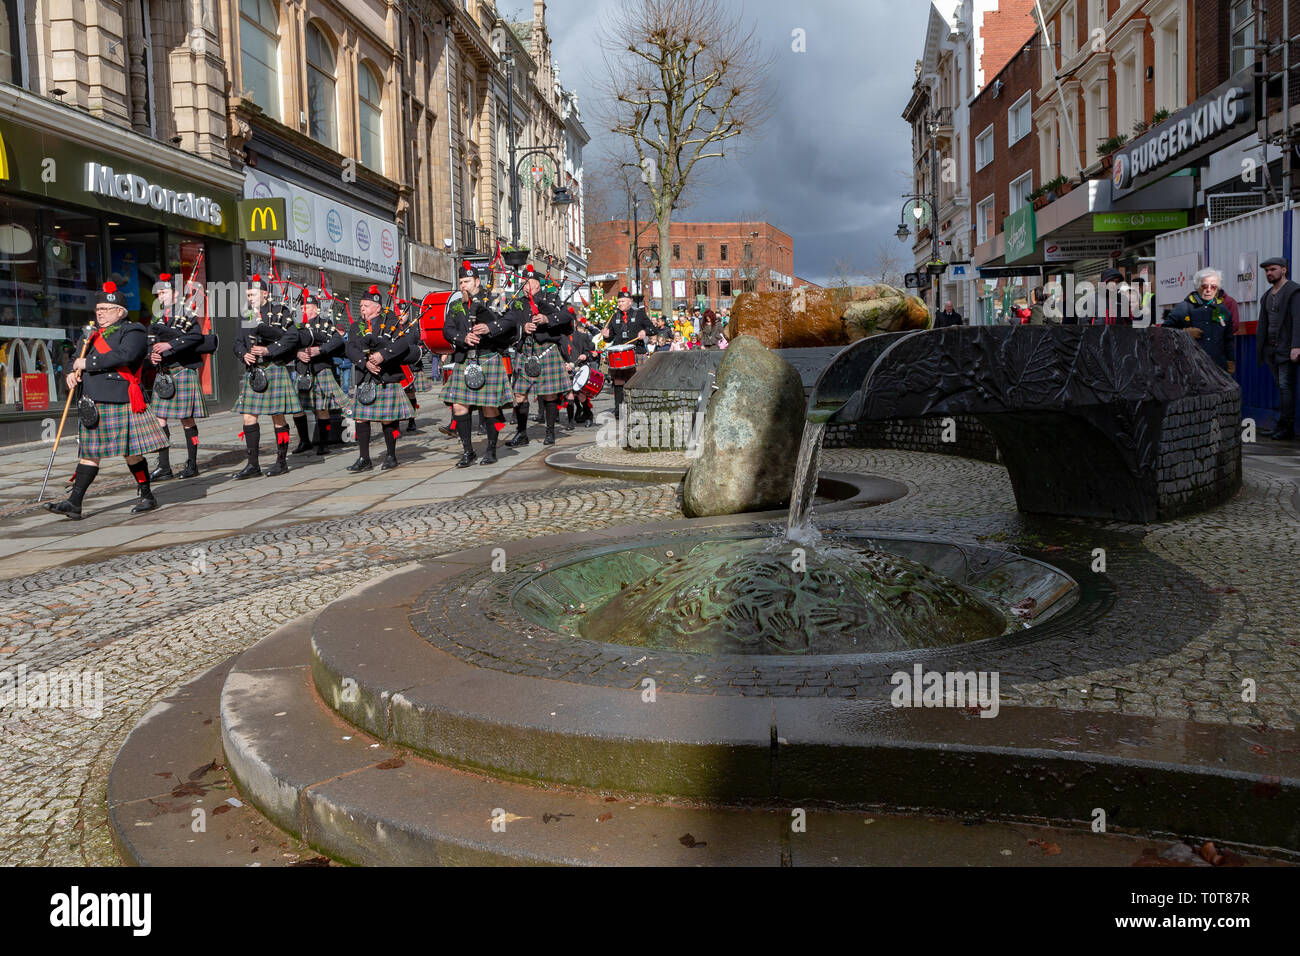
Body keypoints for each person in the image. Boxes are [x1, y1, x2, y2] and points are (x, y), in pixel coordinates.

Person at [45, 281, 168, 519]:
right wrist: (71, 372)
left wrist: (87, 364)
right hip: (92, 402)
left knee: (132, 453)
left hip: (120, 399)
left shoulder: (133, 331)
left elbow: (126, 355)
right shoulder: (89, 335)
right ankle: (75, 502)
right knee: (90, 454)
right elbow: (74, 359)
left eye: (105, 309)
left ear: (119, 311)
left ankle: (146, 495)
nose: (99, 312)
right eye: (98, 309)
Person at [441, 261, 517, 466]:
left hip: (488, 356)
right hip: (465, 358)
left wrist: (490, 327)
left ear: (477, 281)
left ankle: (491, 449)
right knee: (458, 406)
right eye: (460, 282)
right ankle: (468, 451)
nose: (463, 286)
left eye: (466, 281)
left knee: (489, 407)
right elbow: (447, 330)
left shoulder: (493, 299)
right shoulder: (457, 305)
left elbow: (511, 320)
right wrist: (461, 338)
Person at [231, 275, 302, 479]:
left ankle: (281, 462)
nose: (250, 298)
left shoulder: (280, 312)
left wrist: (268, 350)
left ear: (265, 293)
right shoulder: (246, 315)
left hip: (273, 367)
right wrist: (243, 353)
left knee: (277, 416)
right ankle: (253, 464)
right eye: (247, 295)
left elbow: (292, 338)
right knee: (248, 416)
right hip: (254, 371)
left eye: (252, 294)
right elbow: (237, 342)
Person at [346, 284, 419, 471]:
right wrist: (365, 362)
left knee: (388, 420)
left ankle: (391, 455)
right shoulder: (356, 326)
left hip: (387, 376)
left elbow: (403, 344)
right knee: (361, 419)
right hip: (365, 377)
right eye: (361, 305)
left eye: (366, 305)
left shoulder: (392, 322)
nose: (362, 308)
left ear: (378, 307)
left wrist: (382, 355)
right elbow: (350, 348)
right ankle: (364, 458)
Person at [146, 273, 207, 480]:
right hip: (164, 372)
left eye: (164, 292)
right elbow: (149, 340)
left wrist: (170, 344)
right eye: (159, 293)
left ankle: (192, 463)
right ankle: (164, 467)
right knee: (159, 420)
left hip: (182, 370)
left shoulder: (186, 313)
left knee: (186, 419)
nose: (160, 296)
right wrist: (151, 355)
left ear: (175, 293)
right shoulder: (157, 316)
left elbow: (196, 336)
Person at [505, 265, 570, 446]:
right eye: (523, 283)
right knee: (519, 395)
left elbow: (566, 317)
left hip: (546, 350)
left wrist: (547, 319)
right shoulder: (517, 303)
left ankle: (550, 432)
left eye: (529, 283)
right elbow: (508, 325)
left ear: (538, 285)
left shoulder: (550, 299)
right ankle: (522, 433)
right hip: (525, 352)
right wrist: (522, 328)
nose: (526, 286)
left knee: (549, 395)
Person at [294, 290, 350, 455]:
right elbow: (287, 344)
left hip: (321, 369)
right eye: (303, 306)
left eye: (308, 307)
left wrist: (320, 349)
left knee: (321, 408)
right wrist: (298, 353)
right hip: (303, 371)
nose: (305, 310)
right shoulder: (297, 326)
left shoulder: (326, 324)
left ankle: (324, 444)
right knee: (297, 408)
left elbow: (337, 341)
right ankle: (304, 442)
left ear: (316, 309)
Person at [1257, 256, 1300, 439]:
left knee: (1285, 386)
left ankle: (1287, 427)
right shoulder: (1267, 295)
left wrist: (1296, 346)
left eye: (1273, 269)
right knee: (1280, 387)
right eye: (1267, 270)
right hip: (1271, 349)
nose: (1269, 273)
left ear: (1284, 269)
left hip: (1287, 348)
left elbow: (1298, 320)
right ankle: (1281, 425)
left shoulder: (1293, 291)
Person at [1164, 268, 1235, 374]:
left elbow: (1228, 339)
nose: (1209, 289)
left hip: (1217, 368)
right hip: (1190, 369)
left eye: (1213, 286)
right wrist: (1184, 333)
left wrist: (1230, 360)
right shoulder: (1182, 308)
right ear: (1198, 286)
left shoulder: (1222, 310)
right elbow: (1164, 333)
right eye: (1204, 286)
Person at [599, 287, 651, 421]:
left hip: (636, 352)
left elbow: (652, 328)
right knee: (618, 382)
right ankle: (619, 410)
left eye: (622, 301)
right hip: (619, 354)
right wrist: (606, 336)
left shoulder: (639, 313)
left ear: (630, 301)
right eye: (619, 301)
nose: (620, 303)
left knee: (636, 381)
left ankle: (638, 409)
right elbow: (609, 338)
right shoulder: (614, 316)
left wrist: (645, 332)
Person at [559, 307, 597, 429]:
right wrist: (563, 364)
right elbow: (558, 354)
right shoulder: (560, 338)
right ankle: (570, 422)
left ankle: (588, 416)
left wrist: (585, 355)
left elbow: (590, 351)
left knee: (581, 396)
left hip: (580, 369)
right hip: (567, 370)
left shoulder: (583, 336)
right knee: (570, 395)